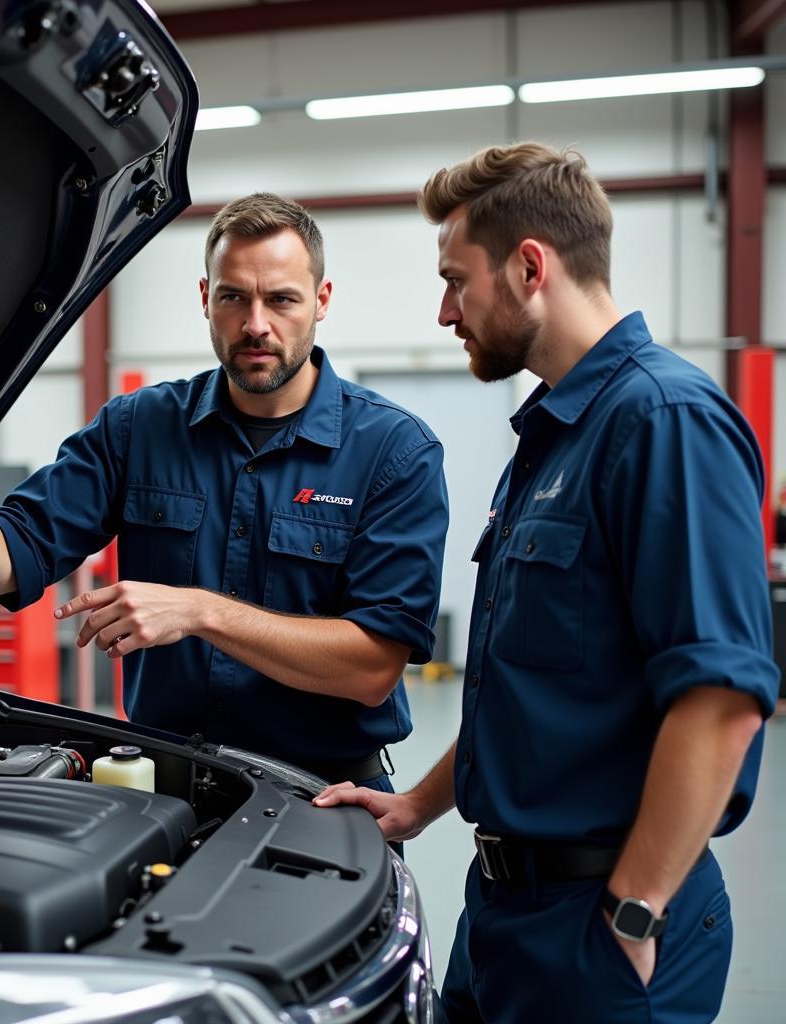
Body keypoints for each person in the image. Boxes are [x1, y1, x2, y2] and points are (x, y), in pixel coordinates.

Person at [313, 143, 780, 1022]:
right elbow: (527, 687)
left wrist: (632, 911)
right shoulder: (555, 436)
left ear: (530, 266)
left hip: (602, 927)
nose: (445, 310)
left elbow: (722, 699)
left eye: (458, 279)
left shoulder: (663, 421)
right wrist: (419, 804)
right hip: (502, 914)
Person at [0, 192, 449, 792]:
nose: (256, 324)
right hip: (165, 783)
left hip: (327, 791)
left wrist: (200, 610)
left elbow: (370, 669)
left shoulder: (393, 452)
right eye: (233, 297)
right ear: (205, 298)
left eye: (281, 300)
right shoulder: (139, 428)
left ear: (321, 299)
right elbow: (6, 556)